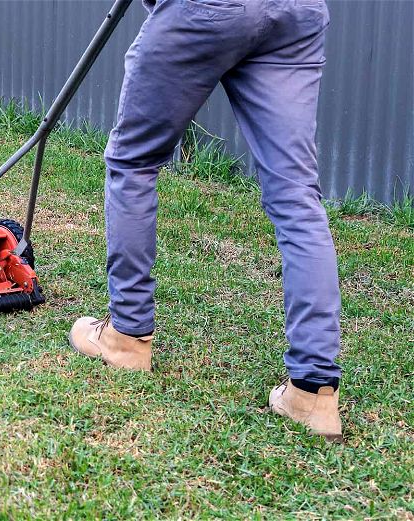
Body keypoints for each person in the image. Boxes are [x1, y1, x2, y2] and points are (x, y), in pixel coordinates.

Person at [68, 0, 343, 441]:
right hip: (297, 11)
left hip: (213, 8)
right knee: (296, 194)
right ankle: (313, 395)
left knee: (133, 160)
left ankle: (127, 337)